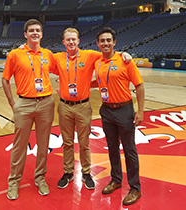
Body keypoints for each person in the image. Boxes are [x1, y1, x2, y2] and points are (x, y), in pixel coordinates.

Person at [53, 28, 132, 190]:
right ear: (63, 42)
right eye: (68, 40)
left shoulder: (89, 55)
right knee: (67, 142)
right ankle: (68, 172)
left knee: (84, 143)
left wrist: (124, 53)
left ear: (78, 40)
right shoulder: (57, 58)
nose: (71, 42)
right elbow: (40, 58)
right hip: (64, 107)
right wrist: (22, 47)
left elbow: (108, 53)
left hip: (83, 106)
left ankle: (86, 172)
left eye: (74, 39)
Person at [2, 19, 57, 200]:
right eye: (31, 30)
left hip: (46, 103)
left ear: (41, 34)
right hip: (24, 104)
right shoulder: (15, 55)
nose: (35, 33)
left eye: (38, 30)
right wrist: (12, 103)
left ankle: (40, 178)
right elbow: (5, 79)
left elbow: (65, 68)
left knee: (43, 145)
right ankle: (14, 181)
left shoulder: (48, 54)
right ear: (25, 34)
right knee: (19, 146)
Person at [95, 27, 144, 206]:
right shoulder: (97, 62)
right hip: (106, 110)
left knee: (129, 150)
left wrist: (140, 111)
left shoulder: (125, 60)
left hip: (124, 110)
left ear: (114, 42)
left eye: (109, 40)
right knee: (112, 147)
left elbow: (139, 85)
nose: (106, 43)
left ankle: (135, 188)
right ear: (98, 44)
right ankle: (116, 179)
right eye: (102, 41)